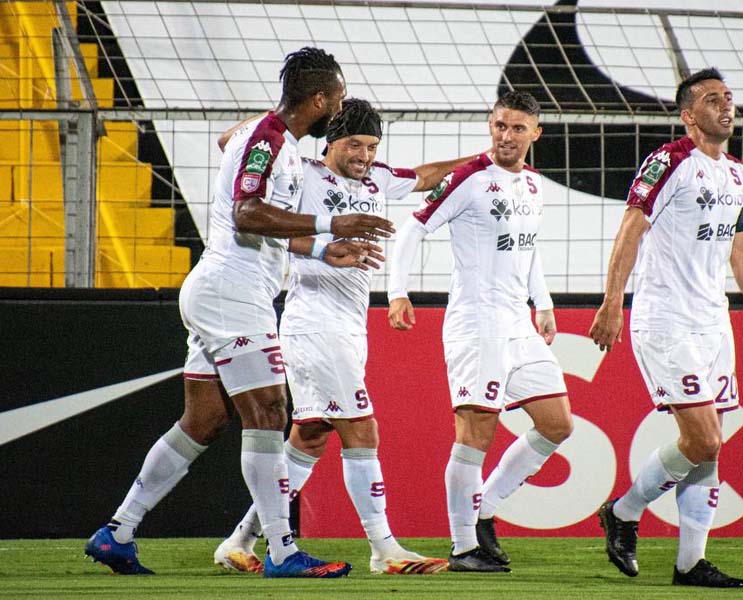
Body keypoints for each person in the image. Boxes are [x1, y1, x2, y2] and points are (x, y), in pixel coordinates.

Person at [84, 47, 394, 578]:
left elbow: (230, 143)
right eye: (337, 100)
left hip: (221, 289)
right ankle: (280, 550)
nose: (339, 109)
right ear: (319, 99)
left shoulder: (270, 137)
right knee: (269, 413)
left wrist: (320, 251)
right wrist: (327, 228)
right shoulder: (270, 140)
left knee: (203, 420)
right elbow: (247, 213)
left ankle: (117, 531)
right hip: (234, 293)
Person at [211, 98, 478, 576]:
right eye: (354, 144)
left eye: (372, 145)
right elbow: (253, 194)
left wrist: (481, 161)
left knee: (310, 438)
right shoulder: (304, 174)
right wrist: (322, 247)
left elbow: (423, 176)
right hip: (314, 323)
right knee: (362, 429)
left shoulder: (377, 180)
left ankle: (240, 540)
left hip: (349, 327)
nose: (364, 155)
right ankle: (385, 549)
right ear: (331, 140)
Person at [588, 67, 743, 588]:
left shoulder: (735, 173)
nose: (726, 106)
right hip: (666, 318)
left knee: (710, 445)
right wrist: (612, 303)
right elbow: (631, 226)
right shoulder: (669, 162)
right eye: (713, 99)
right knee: (704, 439)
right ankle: (625, 512)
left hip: (713, 323)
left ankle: (690, 563)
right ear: (688, 115)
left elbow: (741, 249)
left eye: (729, 97)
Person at [387, 90, 573, 573]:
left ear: (536, 133)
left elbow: (527, 249)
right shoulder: (469, 179)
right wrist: (397, 292)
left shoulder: (532, 184)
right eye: (498, 126)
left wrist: (544, 303)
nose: (505, 136)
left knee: (557, 423)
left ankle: (483, 508)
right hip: (476, 324)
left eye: (516, 128)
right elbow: (413, 229)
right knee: (476, 433)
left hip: (517, 323)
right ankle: (465, 545)